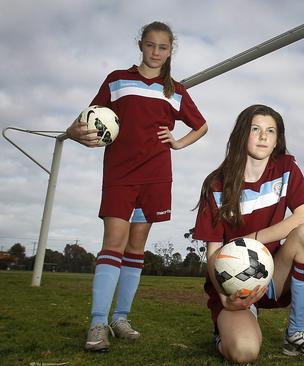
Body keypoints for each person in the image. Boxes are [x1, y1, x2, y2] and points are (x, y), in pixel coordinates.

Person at [65, 21, 208, 351]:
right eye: (150, 45)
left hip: (156, 174)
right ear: (140, 45)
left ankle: (121, 317)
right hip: (120, 173)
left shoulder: (176, 91)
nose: (156, 52)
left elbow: (201, 126)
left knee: (136, 247)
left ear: (171, 50)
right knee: (114, 241)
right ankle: (98, 321)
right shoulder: (117, 80)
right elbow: (83, 119)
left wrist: (177, 142)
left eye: (163, 47)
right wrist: (77, 135)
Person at [193, 104, 304, 363]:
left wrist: (249, 241)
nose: (263, 136)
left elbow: (303, 217)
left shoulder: (285, 168)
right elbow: (214, 253)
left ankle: (297, 335)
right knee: (244, 352)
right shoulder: (216, 184)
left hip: (273, 272)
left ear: (276, 141)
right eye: (256, 129)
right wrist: (225, 296)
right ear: (241, 135)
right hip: (234, 284)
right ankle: (226, 332)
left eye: (270, 131)